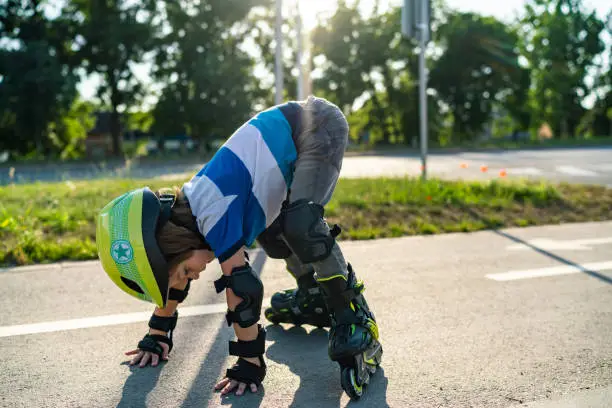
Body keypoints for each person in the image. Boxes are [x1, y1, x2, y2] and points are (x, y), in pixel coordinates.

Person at [95, 95, 382, 400]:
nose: (191, 278)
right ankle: (312, 291)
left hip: (316, 126)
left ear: (177, 241)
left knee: (302, 225)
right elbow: (172, 276)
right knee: (272, 231)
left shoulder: (212, 210)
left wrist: (249, 360)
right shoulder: (194, 216)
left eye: (185, 271)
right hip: (290, 143)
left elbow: (242, 289)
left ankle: (353, 312)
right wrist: (158, 332)